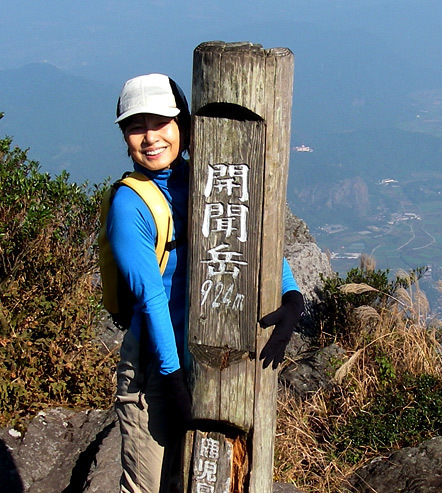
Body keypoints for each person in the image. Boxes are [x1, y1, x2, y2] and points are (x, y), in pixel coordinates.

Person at [102, 73, 304, 493]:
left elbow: (246, 235)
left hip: (204, 354)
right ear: (124, 135)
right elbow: (150, 296)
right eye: (136, 126)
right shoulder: (129, 203)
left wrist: (290, 293)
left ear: (184, 126)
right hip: (155, 367)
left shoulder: (203, 178)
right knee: (149, 484)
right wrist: (173, 380)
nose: (150, 137)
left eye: (161, 122)